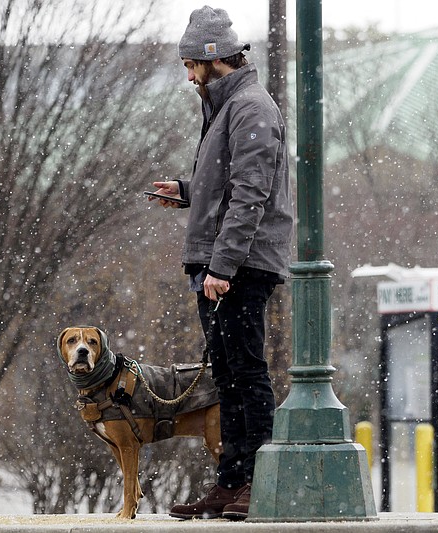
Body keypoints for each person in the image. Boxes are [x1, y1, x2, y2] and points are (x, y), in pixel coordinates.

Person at [148, 5, 293, 521]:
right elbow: (232, 186)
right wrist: (187, 192)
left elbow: (252, 194)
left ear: (213, 59)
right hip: (224, 261)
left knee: (245, 373)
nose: (188, 76)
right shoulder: (228, 107)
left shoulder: (250, 107)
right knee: (227, 376)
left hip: (239, 265)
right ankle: (231, 483)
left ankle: (254, 483)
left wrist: (223, 268)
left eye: (191, 65)